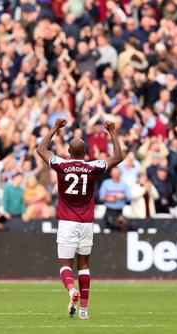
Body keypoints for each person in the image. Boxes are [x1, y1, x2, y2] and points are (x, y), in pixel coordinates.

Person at [36, 118, 123, 320]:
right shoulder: (93, 167)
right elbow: (118, 156)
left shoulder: (61, 165)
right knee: (84, 266)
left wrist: (55, 128)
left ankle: (70, 290)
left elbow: (41, 149)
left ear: (68, 151)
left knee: (65, 265)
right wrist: (112, 132)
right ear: (85, 153)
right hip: (86, 223)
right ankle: (84, 309)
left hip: (67, 222)